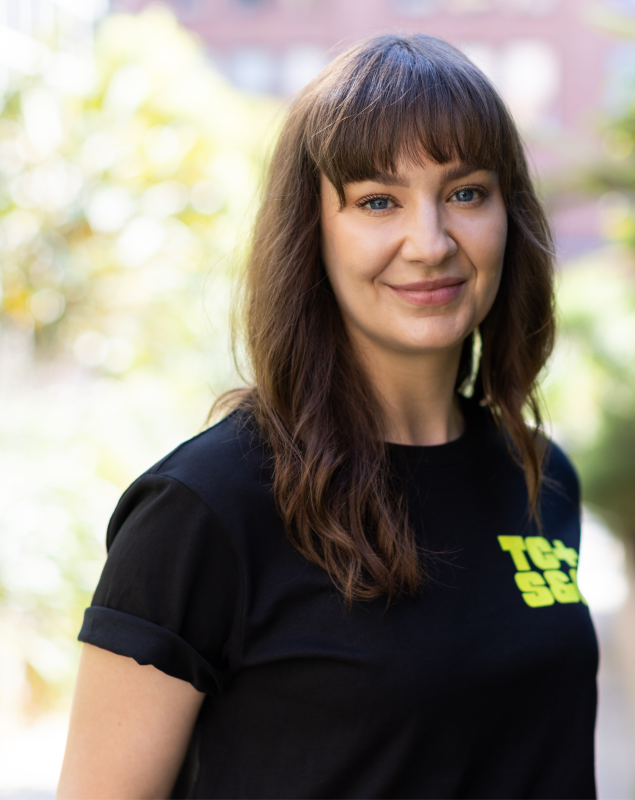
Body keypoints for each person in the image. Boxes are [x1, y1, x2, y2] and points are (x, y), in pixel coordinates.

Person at [58, 33, 598, 800]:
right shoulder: (206, 510)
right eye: (378, 201)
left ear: (510, 213)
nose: (431, 242)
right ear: (313, 234)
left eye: (466, 192)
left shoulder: (542, 478)